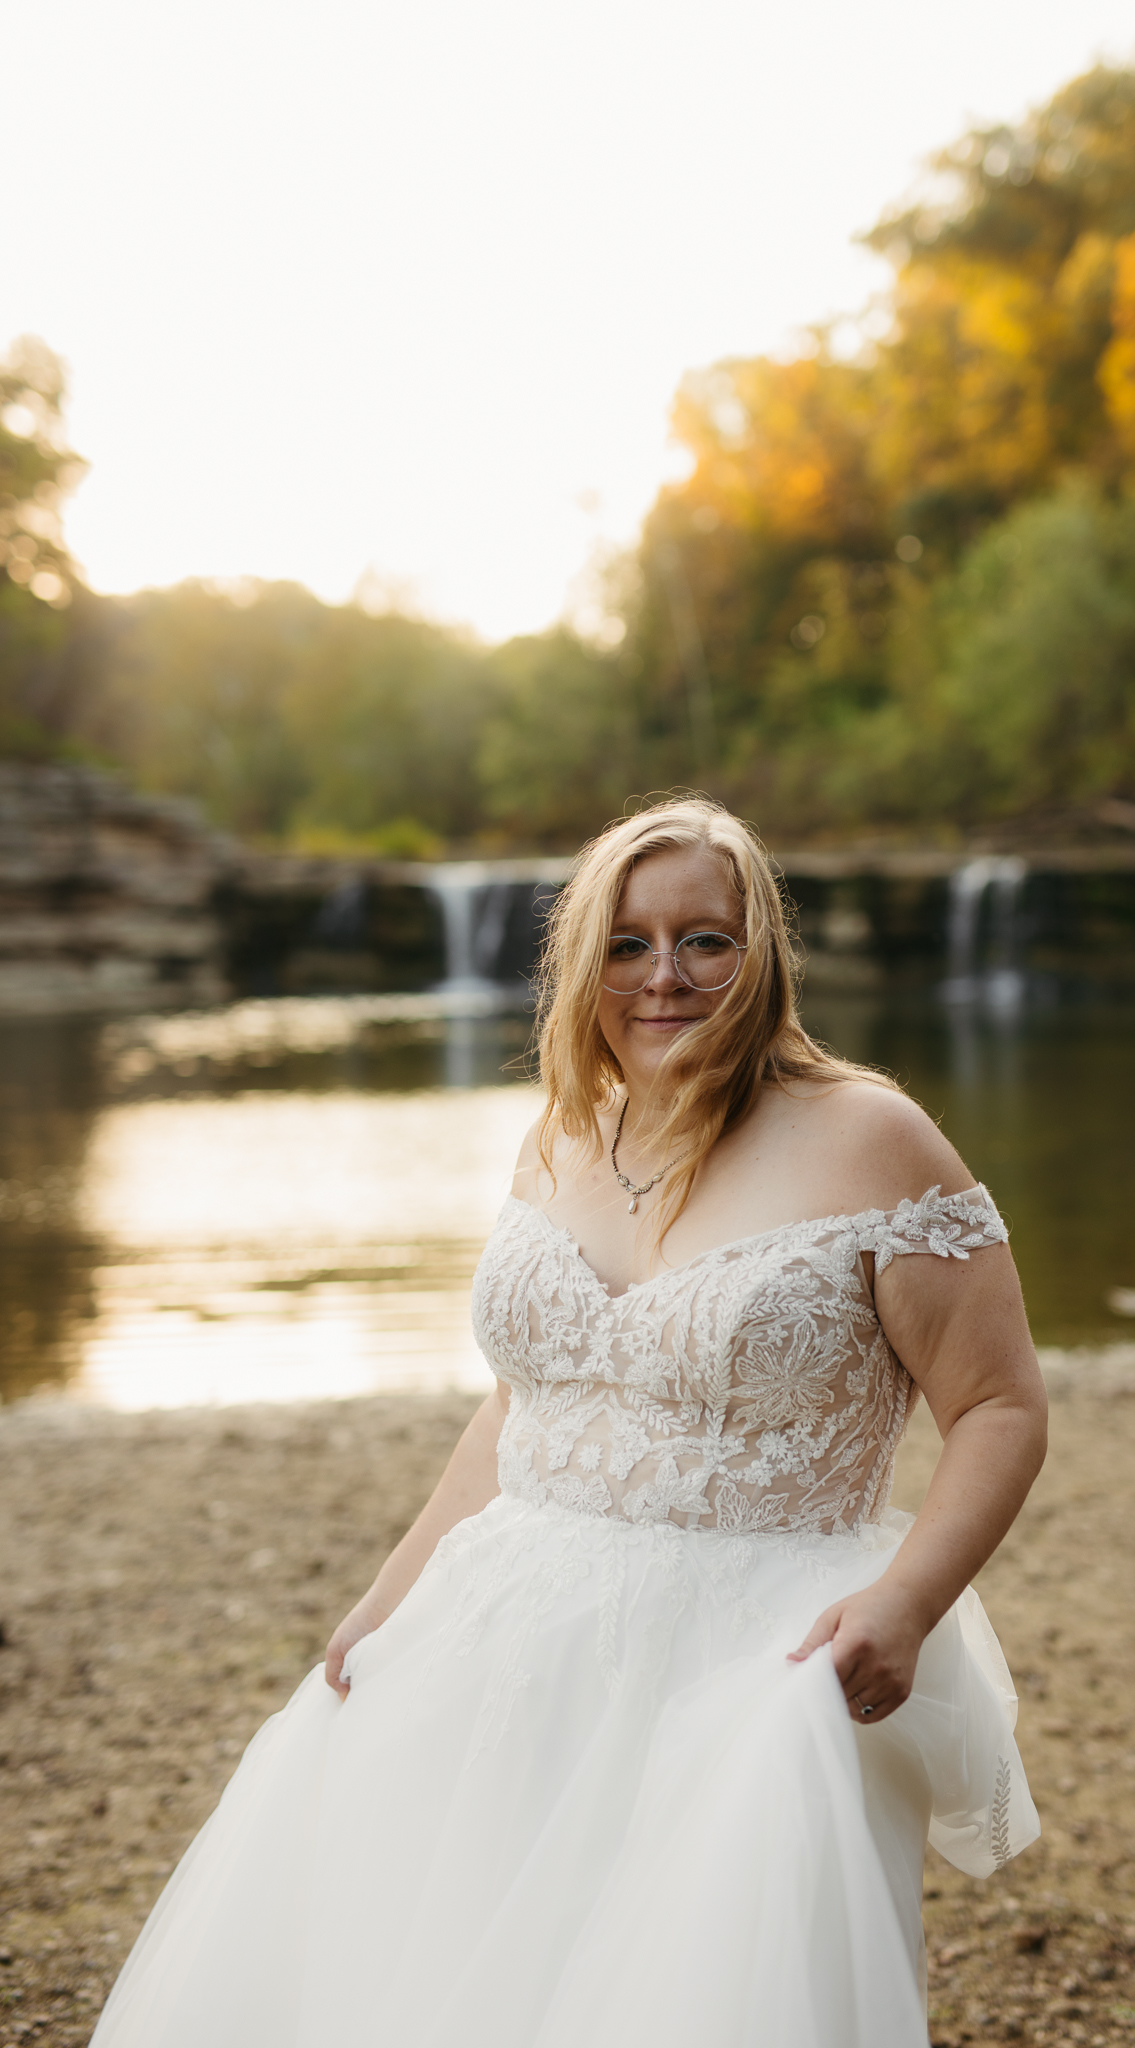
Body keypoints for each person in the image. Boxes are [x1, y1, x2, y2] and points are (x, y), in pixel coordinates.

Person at [92, 796, 1047, 2048]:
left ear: (764, 951)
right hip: (510, 1616)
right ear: (581, 958)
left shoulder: (875, 1137)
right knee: (461, 1970)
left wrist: (907, 1600)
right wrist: (394, 1592)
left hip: (757, 1648)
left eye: (705, 939)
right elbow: (523, 1407)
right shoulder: (560, 1132)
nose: (666, 976)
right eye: (627, 942)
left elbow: (999, 1403)